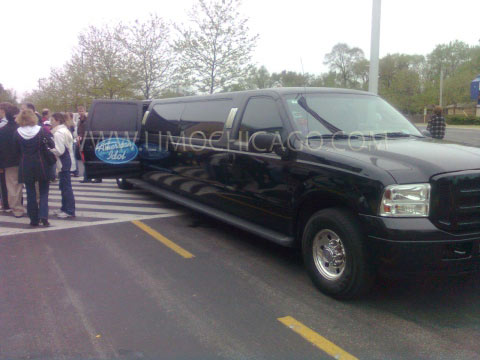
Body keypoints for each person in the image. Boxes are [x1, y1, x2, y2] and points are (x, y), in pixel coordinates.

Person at [15, 109, 54, 226]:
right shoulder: (41, 130)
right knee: (43, 191)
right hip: (41, 163)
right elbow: (51, 144)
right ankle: (44, 216)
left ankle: (33, 219)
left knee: (30, 192)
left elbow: (16, 150)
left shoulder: (17, 132)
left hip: (25, 164)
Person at [49, 112, 76, 218]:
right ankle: (65, 208)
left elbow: (59, 150)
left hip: (63, 161)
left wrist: (49, 150)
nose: (50, 123)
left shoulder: (58, 133)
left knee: (65, 186)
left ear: (57, 120)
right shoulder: (65, 130)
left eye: (52, 120)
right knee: (65, 185)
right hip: (67, 160)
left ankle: (69, 210)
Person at [0, 103, 23, 218]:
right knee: (22, 185)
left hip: (9, 162)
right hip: (23, 161)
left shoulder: (2, 130)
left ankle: (16, 208)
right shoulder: (21, 129)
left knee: (12, 186)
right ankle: (23, 205)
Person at [77, 105, 101, 183]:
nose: (80, 112)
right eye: (79, 111)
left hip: (88, 142)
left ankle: (96, 177)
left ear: (85, 111)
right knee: (87, 160)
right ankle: (87, 177)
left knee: (91, 160)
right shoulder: (80, 120)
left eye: (82, 111)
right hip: (83, 141)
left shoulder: (87, 120)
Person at [0, 104, 10, 211]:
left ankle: (6, 203)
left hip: (4, 159)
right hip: (11, 159)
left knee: (3, 183)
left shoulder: (3, 126)